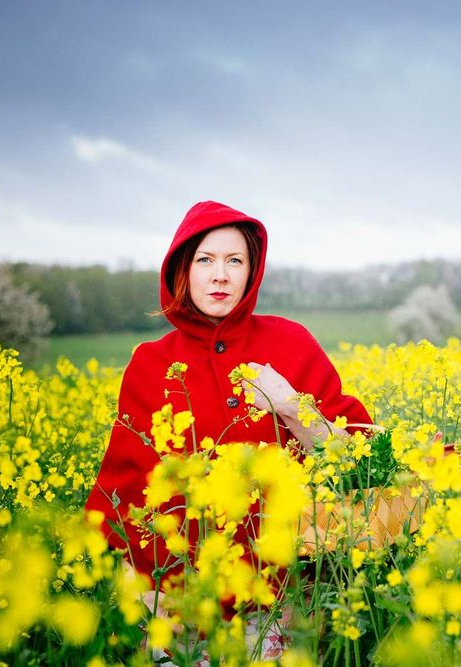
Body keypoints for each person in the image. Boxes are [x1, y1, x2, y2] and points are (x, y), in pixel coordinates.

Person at [83, 201, 373, 655]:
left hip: (279, 605)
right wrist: (143, 599)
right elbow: (121, 495)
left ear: (251, 272)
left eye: (235, 261)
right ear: (182, 269)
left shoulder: (291, 343)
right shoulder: (150, 364)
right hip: (177, 610)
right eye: (205, 260)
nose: (220, 275)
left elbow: (357, 455)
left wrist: (289, 405)